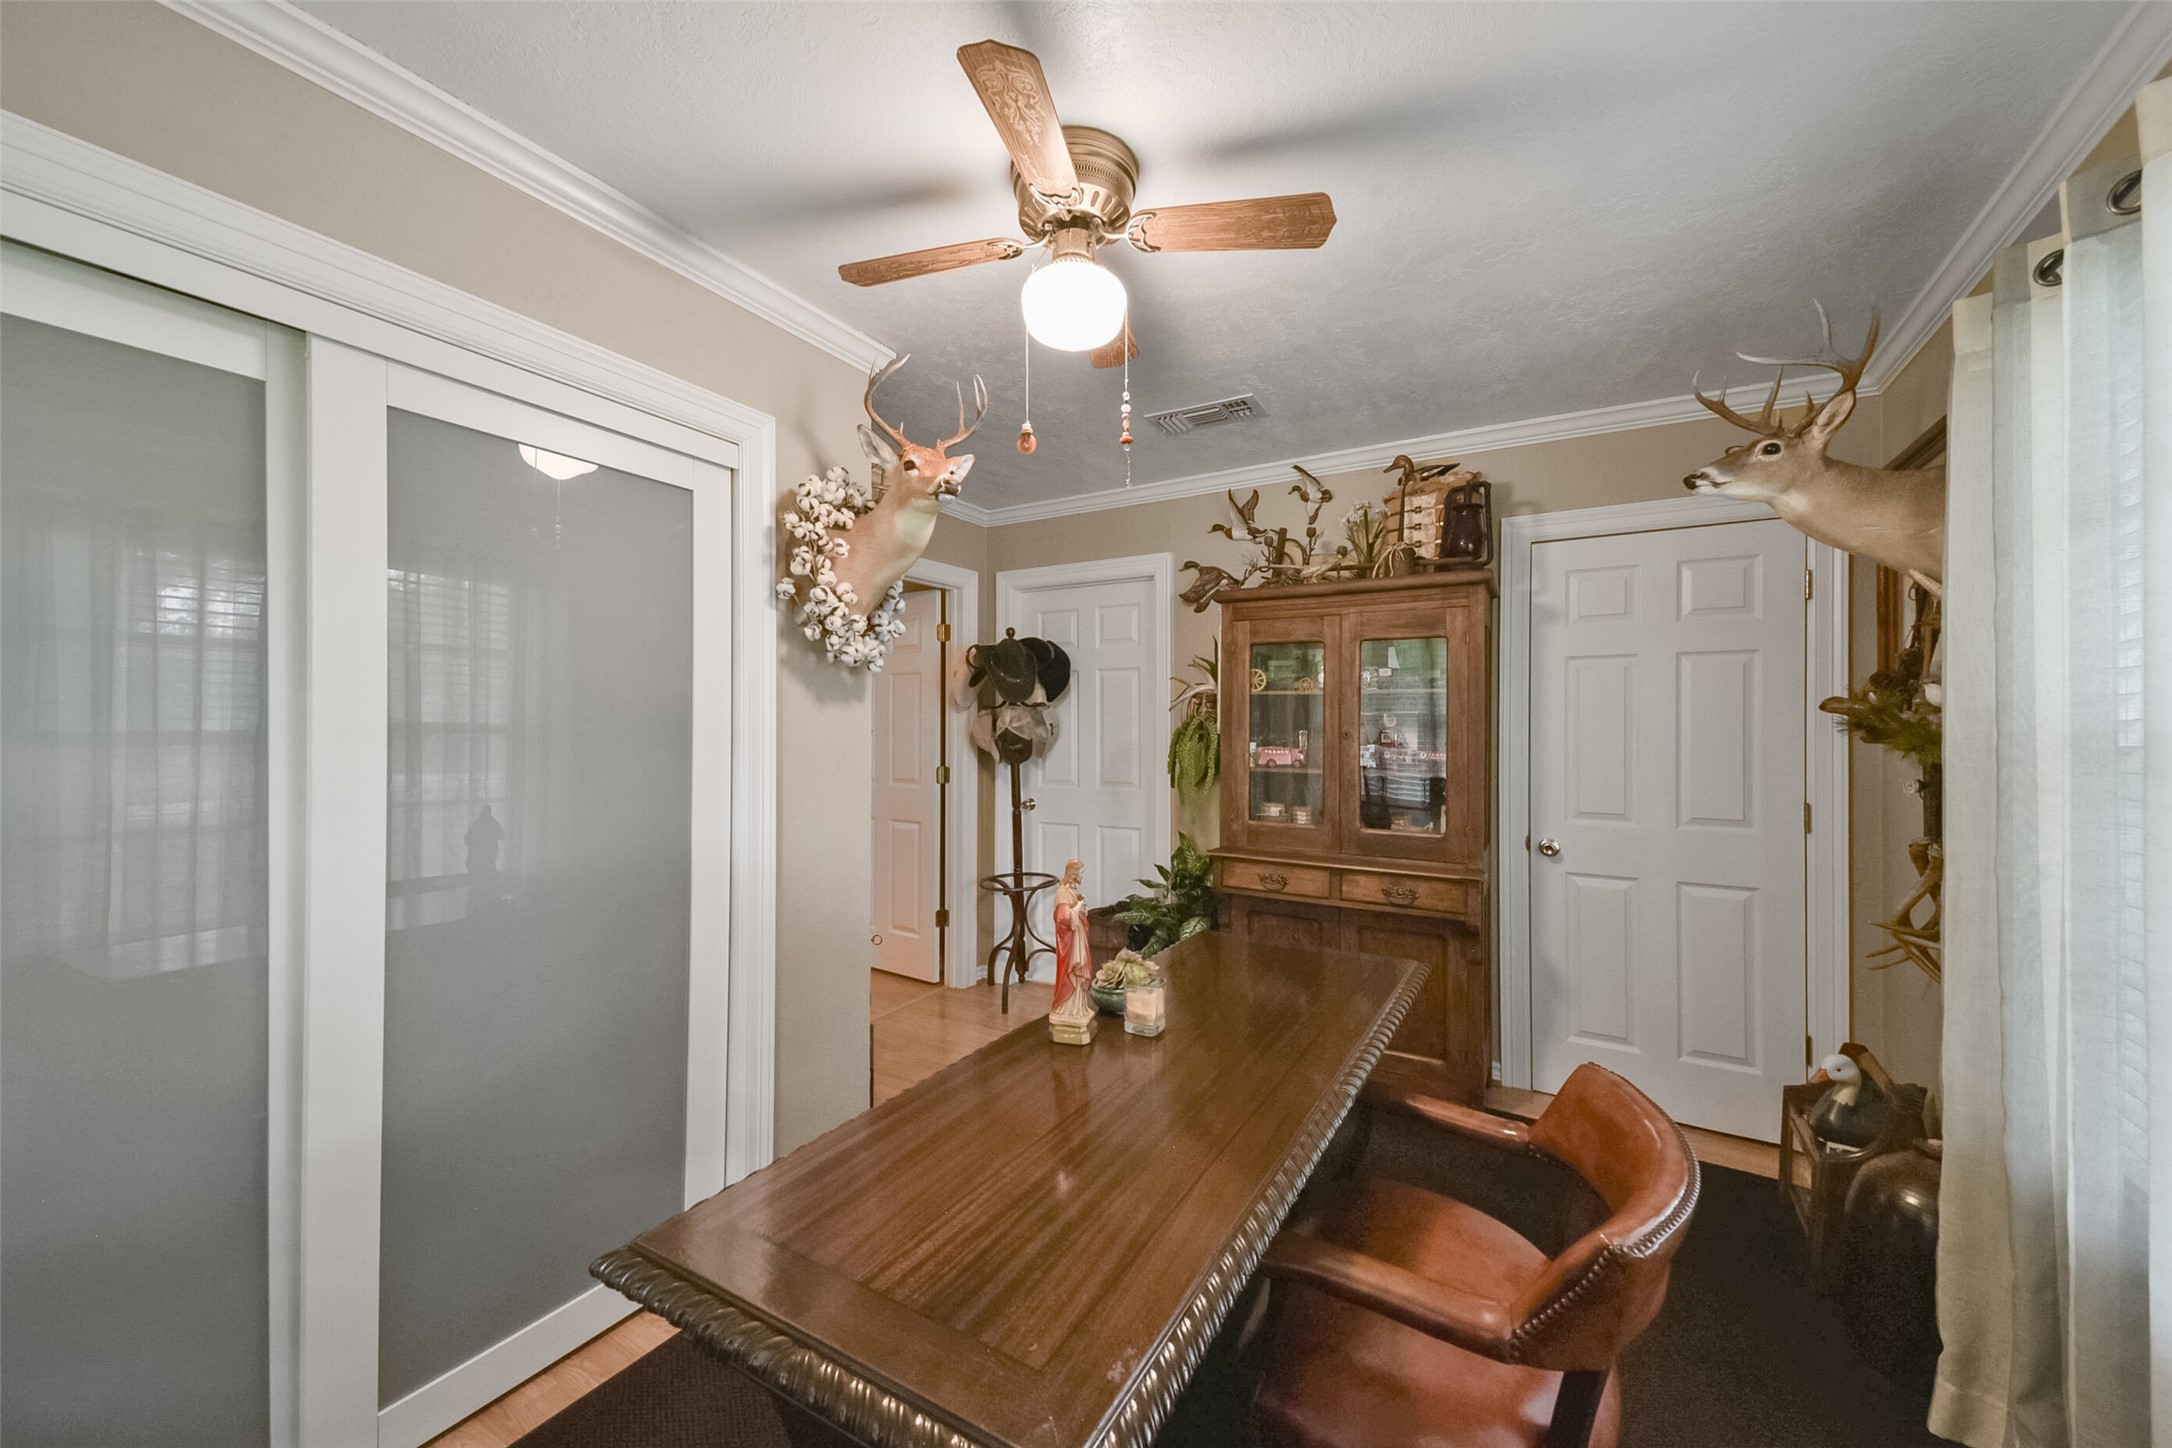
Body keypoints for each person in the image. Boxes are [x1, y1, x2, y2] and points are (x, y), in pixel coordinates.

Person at [1050, 859, 1094, 1023]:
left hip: (1078, 938)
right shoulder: (1063, 892)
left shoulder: (1072, 891)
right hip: (1071, 944)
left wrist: (1080, 903)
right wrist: (1078, 908)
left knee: (1078, 972)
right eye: (1081, 873)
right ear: (1074, 874)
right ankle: (1068, 1009)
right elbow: (1062, 917)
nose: (1083, 876)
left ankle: (1079, 1008)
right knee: (1073, 970)